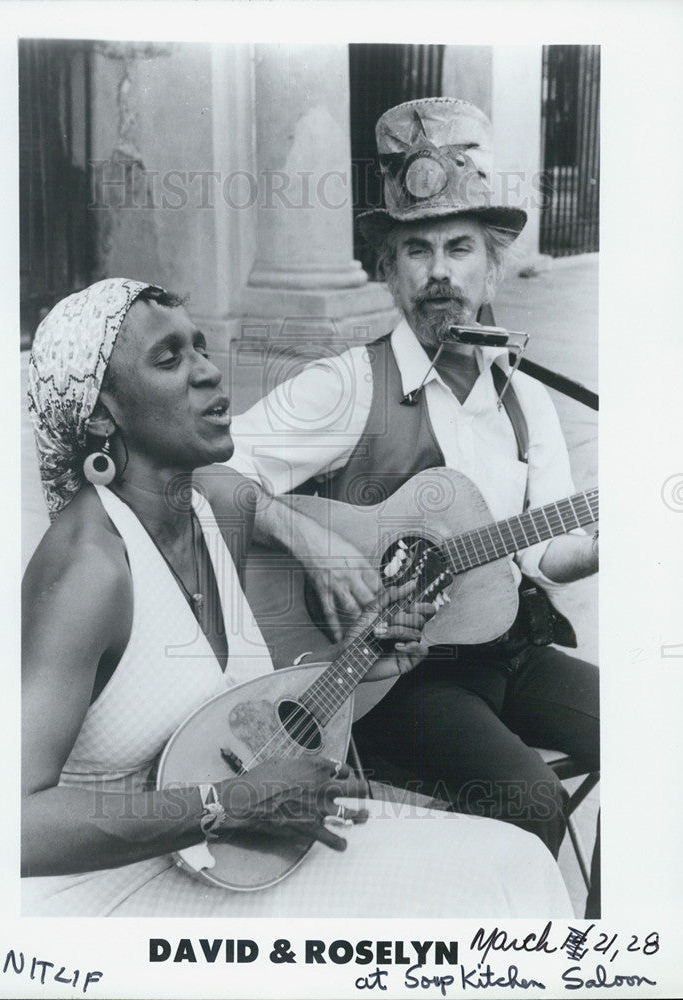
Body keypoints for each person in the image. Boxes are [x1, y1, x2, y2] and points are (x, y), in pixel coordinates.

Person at [21, 277, 574, 918]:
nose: (207, 372)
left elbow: (249, 495)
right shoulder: (89, 568)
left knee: (518, 863)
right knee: (472, 905)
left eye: (200, 347)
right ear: (99, 414)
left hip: (237, 855)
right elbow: (13, 826)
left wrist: (369, 650)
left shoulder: (204, 506)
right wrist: (227, 804)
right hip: (110, 895)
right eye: (169, 360)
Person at [227, 97, 600, 915]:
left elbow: (546, 553)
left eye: (460, 248)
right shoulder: (347, 386)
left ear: (492, 266)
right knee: (530, 802)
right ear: (389, 270)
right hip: (394, 677)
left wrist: (609, 542)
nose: (440, 271)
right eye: (417, 249)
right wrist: (311, 541)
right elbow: (210, 471)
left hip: (510, 647)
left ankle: (600, 948)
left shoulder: (525, 396)